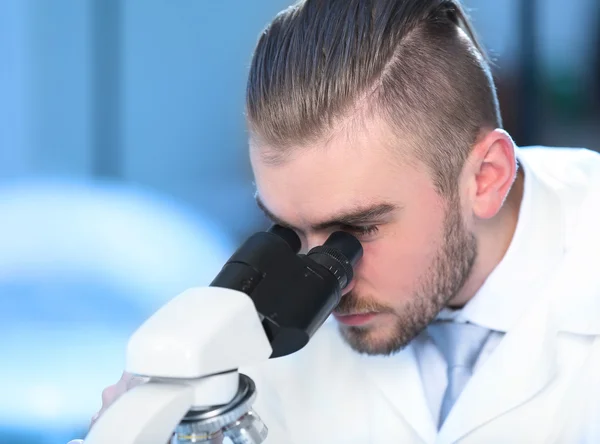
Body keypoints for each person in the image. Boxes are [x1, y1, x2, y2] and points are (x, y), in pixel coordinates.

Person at [76, 0, 600, 442]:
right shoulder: (266, 321)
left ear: (485, 178)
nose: (323, 278)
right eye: (288, 232)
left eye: (357, 230)